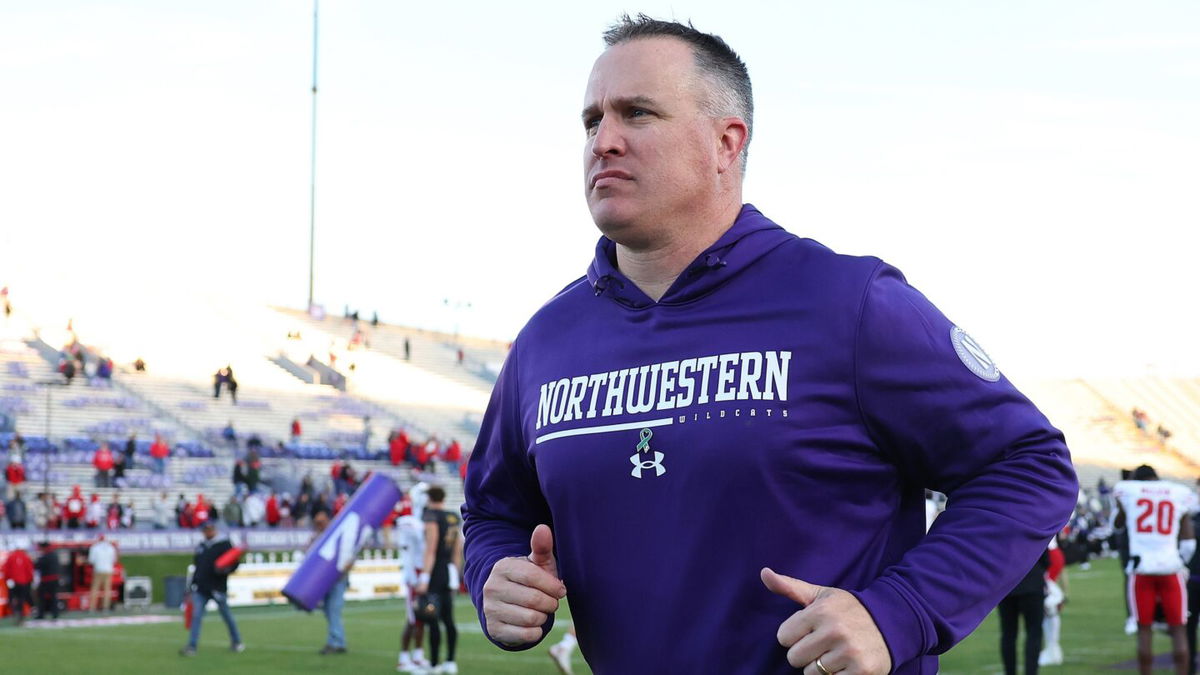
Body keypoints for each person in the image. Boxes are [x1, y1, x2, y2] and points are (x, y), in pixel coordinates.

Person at [459, 15, 1078, 675]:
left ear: (727, 142)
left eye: (637, 113)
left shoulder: (848, 302)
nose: (603, 140)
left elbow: (1028, 463)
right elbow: (493, 510)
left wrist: (897, 611)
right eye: (591, 121)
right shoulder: (547, 340)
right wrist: (496, 572)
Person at [1114, 464, 1196, 675]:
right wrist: (1180, 562)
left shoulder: (1128, 490)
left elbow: (1117, 523)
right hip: (1171, 569)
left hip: (1141, 570)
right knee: (1179, 630)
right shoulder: (1178, 492)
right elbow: (1188, 543)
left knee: (1144, 630)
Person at [414, 486, 462, 674]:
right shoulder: (452, 516)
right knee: (449, 619)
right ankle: (450, 661)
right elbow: (457, 550)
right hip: (448, 569)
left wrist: (424, 577)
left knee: (432, 618)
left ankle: (434, 664)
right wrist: (455, 575)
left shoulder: (432, 516)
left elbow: (430, 549)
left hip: (435, 571)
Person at [180, 521, 244, 655]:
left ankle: (237, 641)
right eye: (206, 529)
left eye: (210, 529)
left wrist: (225, 570)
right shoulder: (201, 546)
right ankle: (192, 646)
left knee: (226, 615)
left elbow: (234, 563)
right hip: (201, 588)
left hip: (217, 587)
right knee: (196, 616)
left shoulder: (224, 545)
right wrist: (193, 584)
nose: (208, 532)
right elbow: (197, 567)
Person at [997, 547, 1049, 675]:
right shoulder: (1031, 527)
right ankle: (1031, 672)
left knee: (1008, 633)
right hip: (1032, 583)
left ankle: (1009, 672)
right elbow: (1045, 558)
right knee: (1034, 633)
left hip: (1007, 585)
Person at [312, 509, 352, 655]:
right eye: (317, 523)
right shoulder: (317, 537)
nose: (319, 525)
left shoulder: (338, 536)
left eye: (321, 522)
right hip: (324, 581)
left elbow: (349, 556)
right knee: (329, 611)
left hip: (338, 580)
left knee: (333, 610)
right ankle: (338, 641)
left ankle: (334, 643)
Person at [2, 544, 34, 625]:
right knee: (21, 599)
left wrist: (8, 579)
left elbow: (5, 569)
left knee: (12, 598)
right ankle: (20, 615)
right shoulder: (26, 557)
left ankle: (14, 614)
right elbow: (29, 569)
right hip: (23, 582)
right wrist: (29, 580)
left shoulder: (11, 557)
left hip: (13, 582)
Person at [87, 534, 118, 612]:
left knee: (95, 589)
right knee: (107, 590)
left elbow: (91, 560)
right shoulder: (111, 547)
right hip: (108, 570)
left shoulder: (95, 547)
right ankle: (105, 607)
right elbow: (114, 560)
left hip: (98, 570)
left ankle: (92, 608)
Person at [34, 541, 61, 620]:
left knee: (41, 597)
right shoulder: (54, 555)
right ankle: (55, 614)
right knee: (53, 597)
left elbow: (37, 566)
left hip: (46, 580)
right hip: (55, 579)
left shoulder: (45, 556)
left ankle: (41, 614)